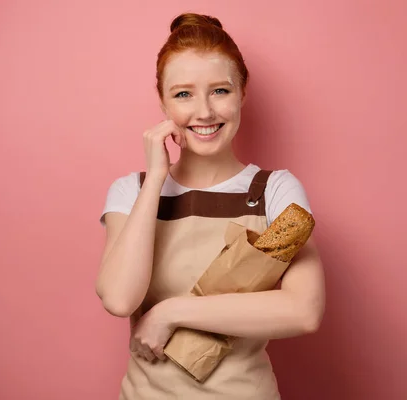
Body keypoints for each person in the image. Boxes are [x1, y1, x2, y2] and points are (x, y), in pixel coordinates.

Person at [95, 12, 325, 399]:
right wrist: (155, 179)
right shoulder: (131, 191)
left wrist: (171, 312)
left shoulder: (274, 191)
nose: (204, 111)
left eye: (220, 90)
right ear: (163, 101)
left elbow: (304, 311)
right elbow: (119, 298)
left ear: (242, 94)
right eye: (183, 93)